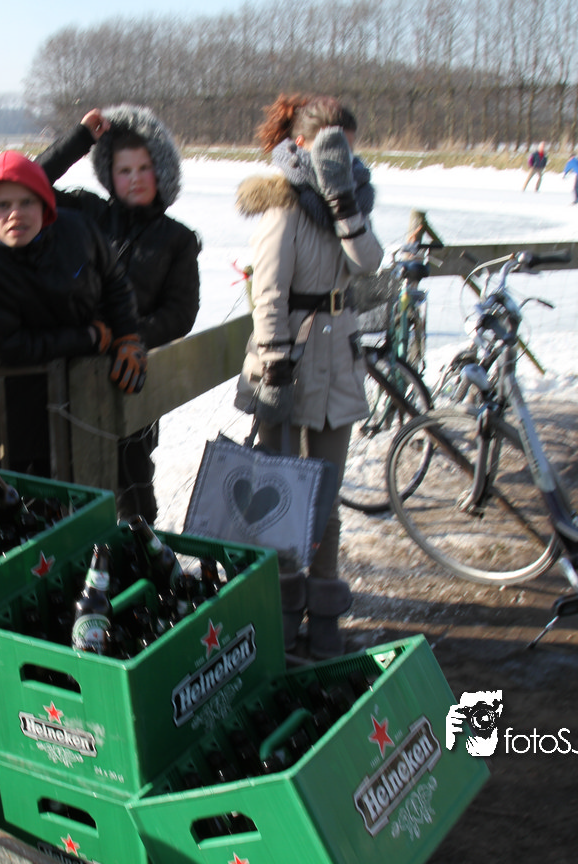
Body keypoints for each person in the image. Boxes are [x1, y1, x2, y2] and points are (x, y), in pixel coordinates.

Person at [232, 94, 383, 660]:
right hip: (289, 361)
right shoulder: (283, 200)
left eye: (347, 146)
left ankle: (323, 616)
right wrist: (274, 365)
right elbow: (268, 290)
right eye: (328, 146)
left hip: (337, 361)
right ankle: (280, 617)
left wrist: (344, 204)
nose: (339, 156)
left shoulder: (351, 196)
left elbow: (368, 262)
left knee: (324, 494)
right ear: (301, 145)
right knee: (280, 495)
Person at [36, 104, 200, 523]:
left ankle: (140, 552)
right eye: (124, 170)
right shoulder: (87, 213)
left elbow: (180, 312)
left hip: (130, 380)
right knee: (64, 484)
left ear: (161, 171)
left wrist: (130, 337)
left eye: (144, 168)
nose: (135, 179)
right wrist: (79, 140)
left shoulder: (177, 239)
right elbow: (30, 184)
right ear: (110, 175)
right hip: (70, 372)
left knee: (132, 490)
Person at [0, 150, 145, 478]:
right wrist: (89, 338)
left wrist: (127, 335)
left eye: (26, 202)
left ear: (44, 203)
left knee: (96, 485)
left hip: (82, 400)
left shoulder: (77, 231)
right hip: (13, 423)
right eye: (3, 205)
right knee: (29, 499)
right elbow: (6, 347)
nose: (16, 214)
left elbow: (114, 280)